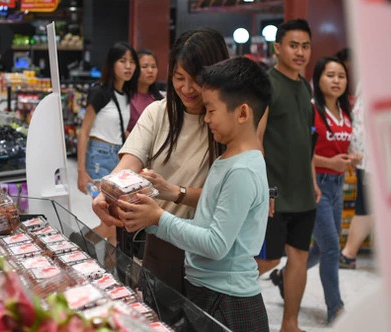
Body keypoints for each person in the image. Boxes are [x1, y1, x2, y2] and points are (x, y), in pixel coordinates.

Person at [118, 57, 271, 332]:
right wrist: (152, 216)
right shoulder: (229, 160)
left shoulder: (242, 170)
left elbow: (215, 244)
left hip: (228, 300)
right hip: (209, 289)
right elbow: (205, 225)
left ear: (242, 113)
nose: (206, 118)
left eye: (211, 110)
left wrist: (158, 218)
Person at [91, 28, 230, 292]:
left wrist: (175, 192)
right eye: (179, 78)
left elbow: (226, 198)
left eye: (197, 79)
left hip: (209, 251)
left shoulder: (226, 123)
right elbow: (130, 162)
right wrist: (106, 191)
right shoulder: (157, 112)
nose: (186, 88)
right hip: (161, 245)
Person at [257, 19, 319, 332]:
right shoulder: (267, 85)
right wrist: (264, 187)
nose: (300, 52)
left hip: (303, 193)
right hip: (275, 194)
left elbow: (307, 140)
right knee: (267, 261)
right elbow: (256, 139)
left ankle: (290, 325)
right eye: (293, 45)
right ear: (278, 47)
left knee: (299, 257)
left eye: (305, 46)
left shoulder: (304, 86)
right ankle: (212, 300)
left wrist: (313, 179)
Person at [76, 42, 139, 241]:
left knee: (114, 221)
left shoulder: (126, 94)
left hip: (118, 158)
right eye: (122, 61)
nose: (128, 66)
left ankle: (101, 257)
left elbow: (119, 129)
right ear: (112, 64)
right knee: (110, 222)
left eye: (132, 62)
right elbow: (84, 132)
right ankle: (75, 247)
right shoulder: (100, 92)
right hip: (99, 157)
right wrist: (81, 171)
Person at [307, 56, 353, 323]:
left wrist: (351, 157)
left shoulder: (346, 112)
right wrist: (330, 162)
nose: (337, 81)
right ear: (318, 78)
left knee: (320, 248)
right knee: (332, 249)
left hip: (338, 185)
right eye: (330, 75)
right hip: (317, 185)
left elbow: (342, 147)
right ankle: (335, 309)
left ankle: (282, 275)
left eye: (341, 76)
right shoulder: (312, 110)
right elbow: (302, 154)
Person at [340, 88, 370, 269]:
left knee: (365, 206)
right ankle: (348, 253)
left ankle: (349, 253)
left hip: (373, 159)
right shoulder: (367, 81)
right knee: (364, 205)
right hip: (364, 158)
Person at [127, 49, 162, 132]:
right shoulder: (126, 97)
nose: (150, 71)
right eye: (144, 66)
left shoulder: (160, 99)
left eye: (153, 66)